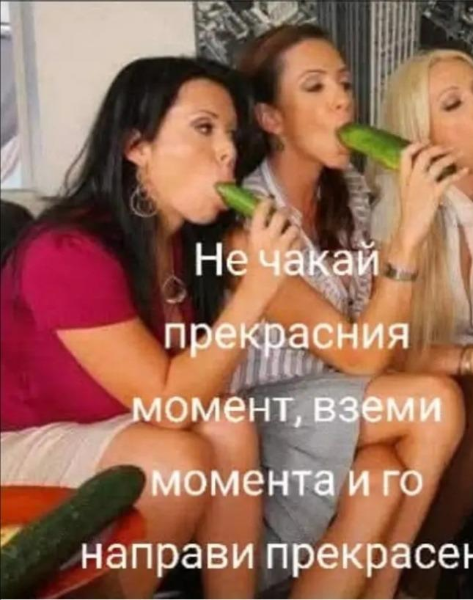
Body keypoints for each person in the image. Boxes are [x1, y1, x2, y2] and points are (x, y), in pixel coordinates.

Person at [0, 56, 301, 599]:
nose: (228, 151)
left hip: (105, 430)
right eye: (204, 128)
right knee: (175, 463)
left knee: (228, 422)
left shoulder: (182, 247)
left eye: (231, 135)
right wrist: (257, 290)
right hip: (15, 445)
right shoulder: (65, 251)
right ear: (136, 146)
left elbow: (196, 388)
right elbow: (169, 406)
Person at [232, 25, 466, 599]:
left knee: (382, 475)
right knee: (435, 403)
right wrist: (408, 234)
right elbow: (361, 355)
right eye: (315, 87)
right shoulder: (246, 219)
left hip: (341, 402)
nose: (342, 100)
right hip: (267, 418)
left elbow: (374, 337)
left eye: (344, 84)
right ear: (270, 118)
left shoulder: (350, 192)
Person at [370, 48, 473, 598]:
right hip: (423, 365)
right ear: (422, 136)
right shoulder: (393, 211)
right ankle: (419, 579)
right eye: (454, 104)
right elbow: (395, 349)